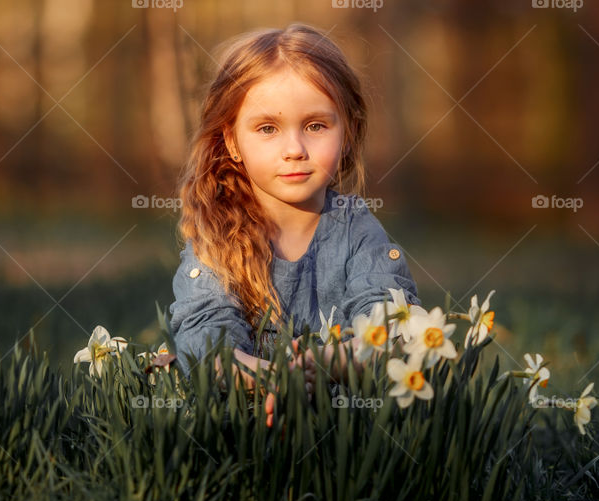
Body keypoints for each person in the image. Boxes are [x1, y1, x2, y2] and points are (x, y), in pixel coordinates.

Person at [165, 22, 422, 396]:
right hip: (246, 420)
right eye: (268, 129)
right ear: (232, 141)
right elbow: (206, 346)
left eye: (315, 126)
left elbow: (391, 325)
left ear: (348, 134)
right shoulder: (215, 240)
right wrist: (278, 380)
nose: (294, 150)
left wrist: (326, 364)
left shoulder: (357, 231)